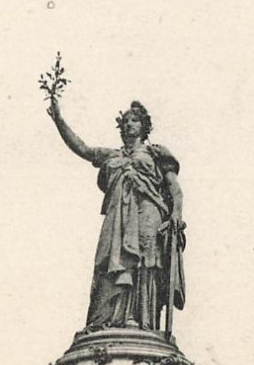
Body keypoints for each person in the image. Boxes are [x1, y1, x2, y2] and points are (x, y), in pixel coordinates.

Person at [48, 96, 185, 333]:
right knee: (110, 259)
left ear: (144, 126)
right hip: (117, 217)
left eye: (134, 121)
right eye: (125, 122)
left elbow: (175, 189)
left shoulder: (155, 154)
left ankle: (140, 320)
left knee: (144, 262)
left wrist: (176, 214)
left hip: (148, 211)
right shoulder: (112, 156)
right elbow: (83, 149)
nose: (129, 125)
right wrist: (59, 120)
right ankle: (105, 319)